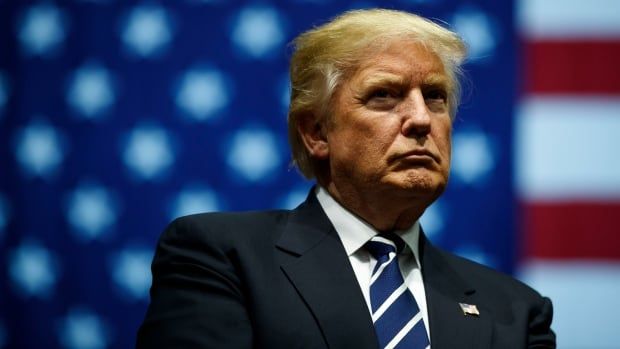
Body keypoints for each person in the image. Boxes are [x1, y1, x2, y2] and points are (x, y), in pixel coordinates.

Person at [136, 8, 555, 349]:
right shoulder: (223, 259)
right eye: (384, 95)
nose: (422, 119)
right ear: (317, 132)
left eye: (435, 96)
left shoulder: (515, 312)